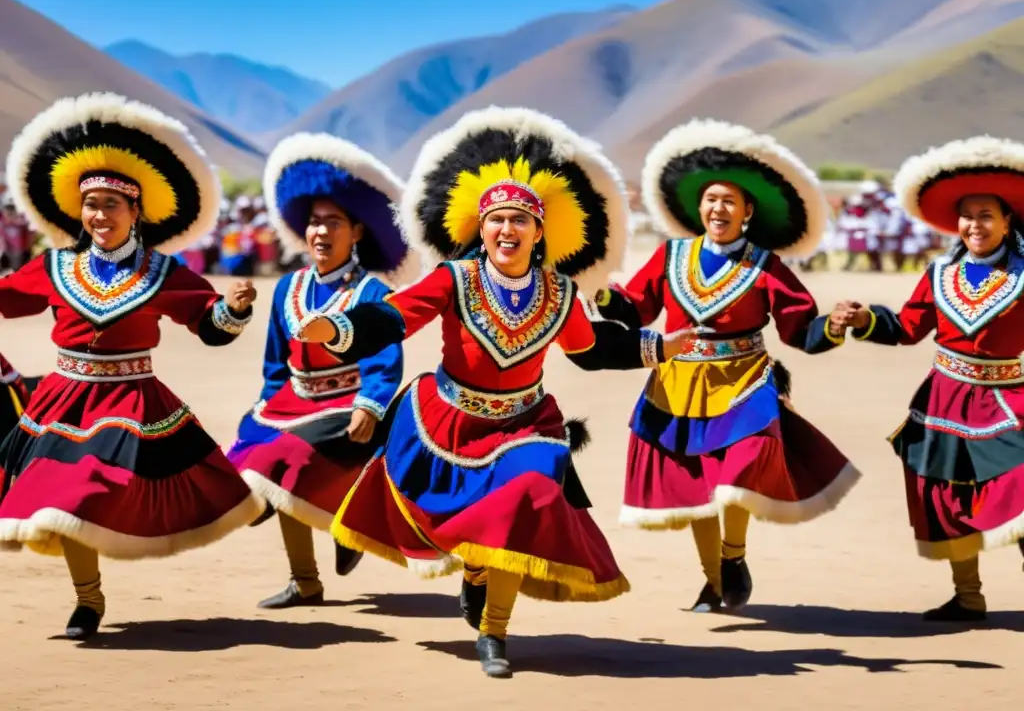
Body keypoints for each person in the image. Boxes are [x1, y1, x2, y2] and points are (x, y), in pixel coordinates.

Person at [297, 107, 679, 678]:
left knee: (528, 492)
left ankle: (494, 632)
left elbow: (590, 348)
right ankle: (474, 573)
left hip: (526, 425)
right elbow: (396, 317)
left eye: (519, 221)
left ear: (539, 231)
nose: (508, 230)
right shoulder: (454, 278)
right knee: (456, 517)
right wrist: (338, 330)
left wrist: (656, 347)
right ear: (482, 226)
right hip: (449, 420)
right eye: (497, 219)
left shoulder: (558, 291)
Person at [0, 92, 262, 640]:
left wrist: (232, 310)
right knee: (59, 496)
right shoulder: (54, 266)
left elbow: (207, 321)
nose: (99, 215)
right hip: (64, 397)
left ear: (135, 212)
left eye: (111, 205)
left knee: (89, 490)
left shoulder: (163, 272)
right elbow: (8, 298)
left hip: (131, 398)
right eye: (91, 204)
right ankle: (88, 600)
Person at [594, 119, 861, 613]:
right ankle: (713, 579)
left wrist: (836, 326)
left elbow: (799, 329)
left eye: (729, 202)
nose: (718, 208)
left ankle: (733, 558)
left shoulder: (766, 265)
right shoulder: (671, 255)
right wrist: (605, 294)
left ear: (747, 212)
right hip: (677, 381)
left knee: (740, 466)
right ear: (700, 207)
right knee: (696, 485)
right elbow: (637, 309)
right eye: (711, 199)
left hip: (743, 380)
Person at [828, 135, 1024, 622]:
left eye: (986, 215)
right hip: (944, 399)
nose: (974, 225)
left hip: (1007, 398)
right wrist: (864, 320)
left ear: (1007, 221)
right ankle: (968, 597)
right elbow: (908, 328)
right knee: (946, 494)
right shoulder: (939, 273)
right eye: (967, 215)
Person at [226, 132, 416, 607]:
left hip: (347, 404)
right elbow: (275, 362)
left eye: (334, 223)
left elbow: (385, 360)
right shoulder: (287, 287)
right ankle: (308, 577)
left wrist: (371, 406)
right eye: (314, 223)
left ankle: (342, 529)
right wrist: (263, 405)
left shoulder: (374, 294)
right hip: (291, 402)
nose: (321, 233)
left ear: (357, 233)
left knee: (283, 460)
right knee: (244, 478)